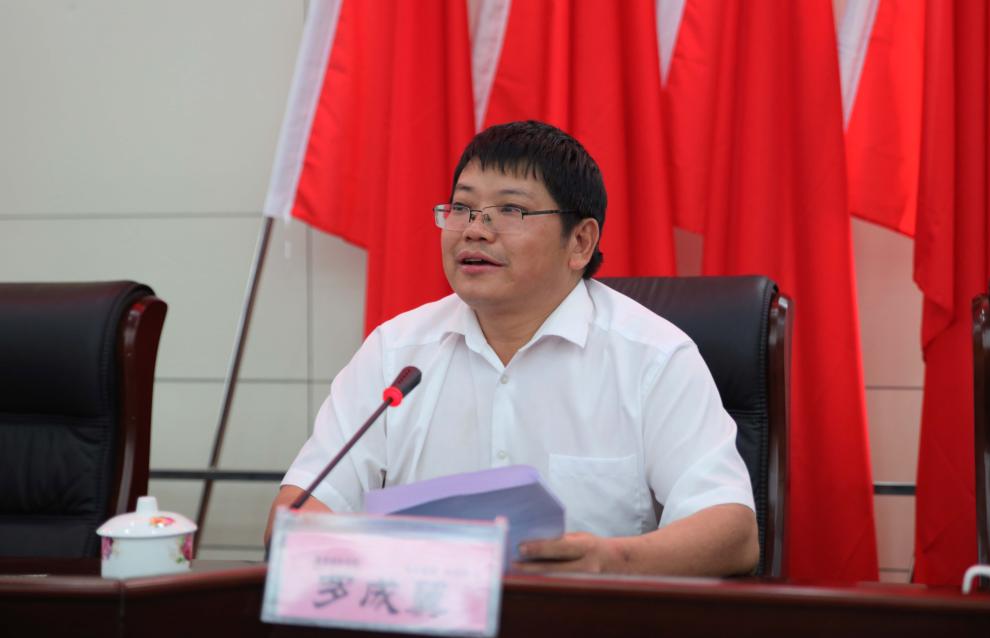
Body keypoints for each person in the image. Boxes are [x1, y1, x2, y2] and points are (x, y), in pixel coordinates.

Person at [266, 120, 758, 576]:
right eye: (462, 208)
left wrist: (608, 560)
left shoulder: (653, 357)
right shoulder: (396, 354)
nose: (474, 229)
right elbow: (300, 513)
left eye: (511, 210)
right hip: (426, 617)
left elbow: (733, 533)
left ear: (580, 242)